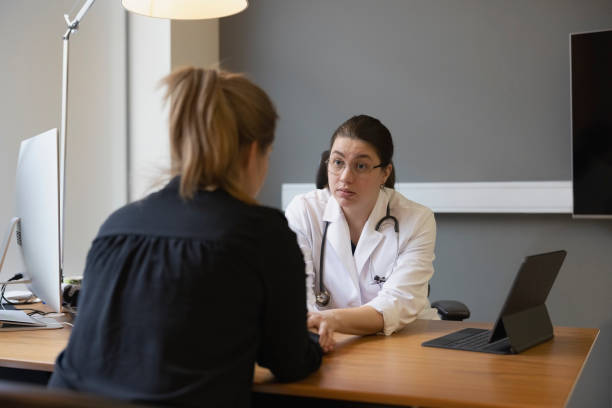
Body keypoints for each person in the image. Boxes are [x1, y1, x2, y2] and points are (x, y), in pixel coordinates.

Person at [49, 67, 322, 407]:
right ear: (254, 152)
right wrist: (313, 340)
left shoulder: (117, 225)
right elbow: (289, 362)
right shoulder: (262, 233)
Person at [285, 115, 439, 352]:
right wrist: (319, 323)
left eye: (361, 165)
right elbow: (297, 296)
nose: (345, 177)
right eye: (337, 162)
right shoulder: (304, 211)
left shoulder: (417, 219)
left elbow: (397, 303)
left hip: (403, 342)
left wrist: (331, 320)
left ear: (385, 173)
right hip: (330, 342)